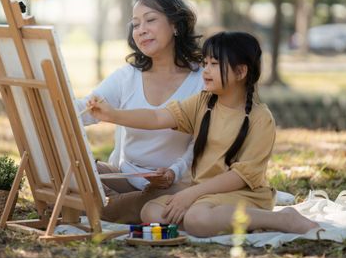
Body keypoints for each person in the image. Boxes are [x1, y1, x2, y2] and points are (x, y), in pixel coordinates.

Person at [87, 31, 319, 237]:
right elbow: (157, 117)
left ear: (240, 72)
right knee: (151, 210)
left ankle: (280, 219)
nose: (205, 70)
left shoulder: (260, 118)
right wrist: (112, 115)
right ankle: (225, 221)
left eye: (214, 64)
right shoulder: (203, 103)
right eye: (205, 63)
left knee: (198, 218)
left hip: (242, 194)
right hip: (204, 194)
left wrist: (191, 195)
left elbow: (239, 177)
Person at [75, 0, 205, 223]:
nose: (141, 30)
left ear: (176, 25)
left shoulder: (201, 80)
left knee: (91, 204)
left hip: (173, 184)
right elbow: (84, 111)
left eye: (150, 20)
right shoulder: (128, 76)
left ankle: (110, 208)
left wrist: (173, 172)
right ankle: (114, 207)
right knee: (69, 177)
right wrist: (46, 98)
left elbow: (202, 143)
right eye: (136, 24)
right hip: (125, 176)